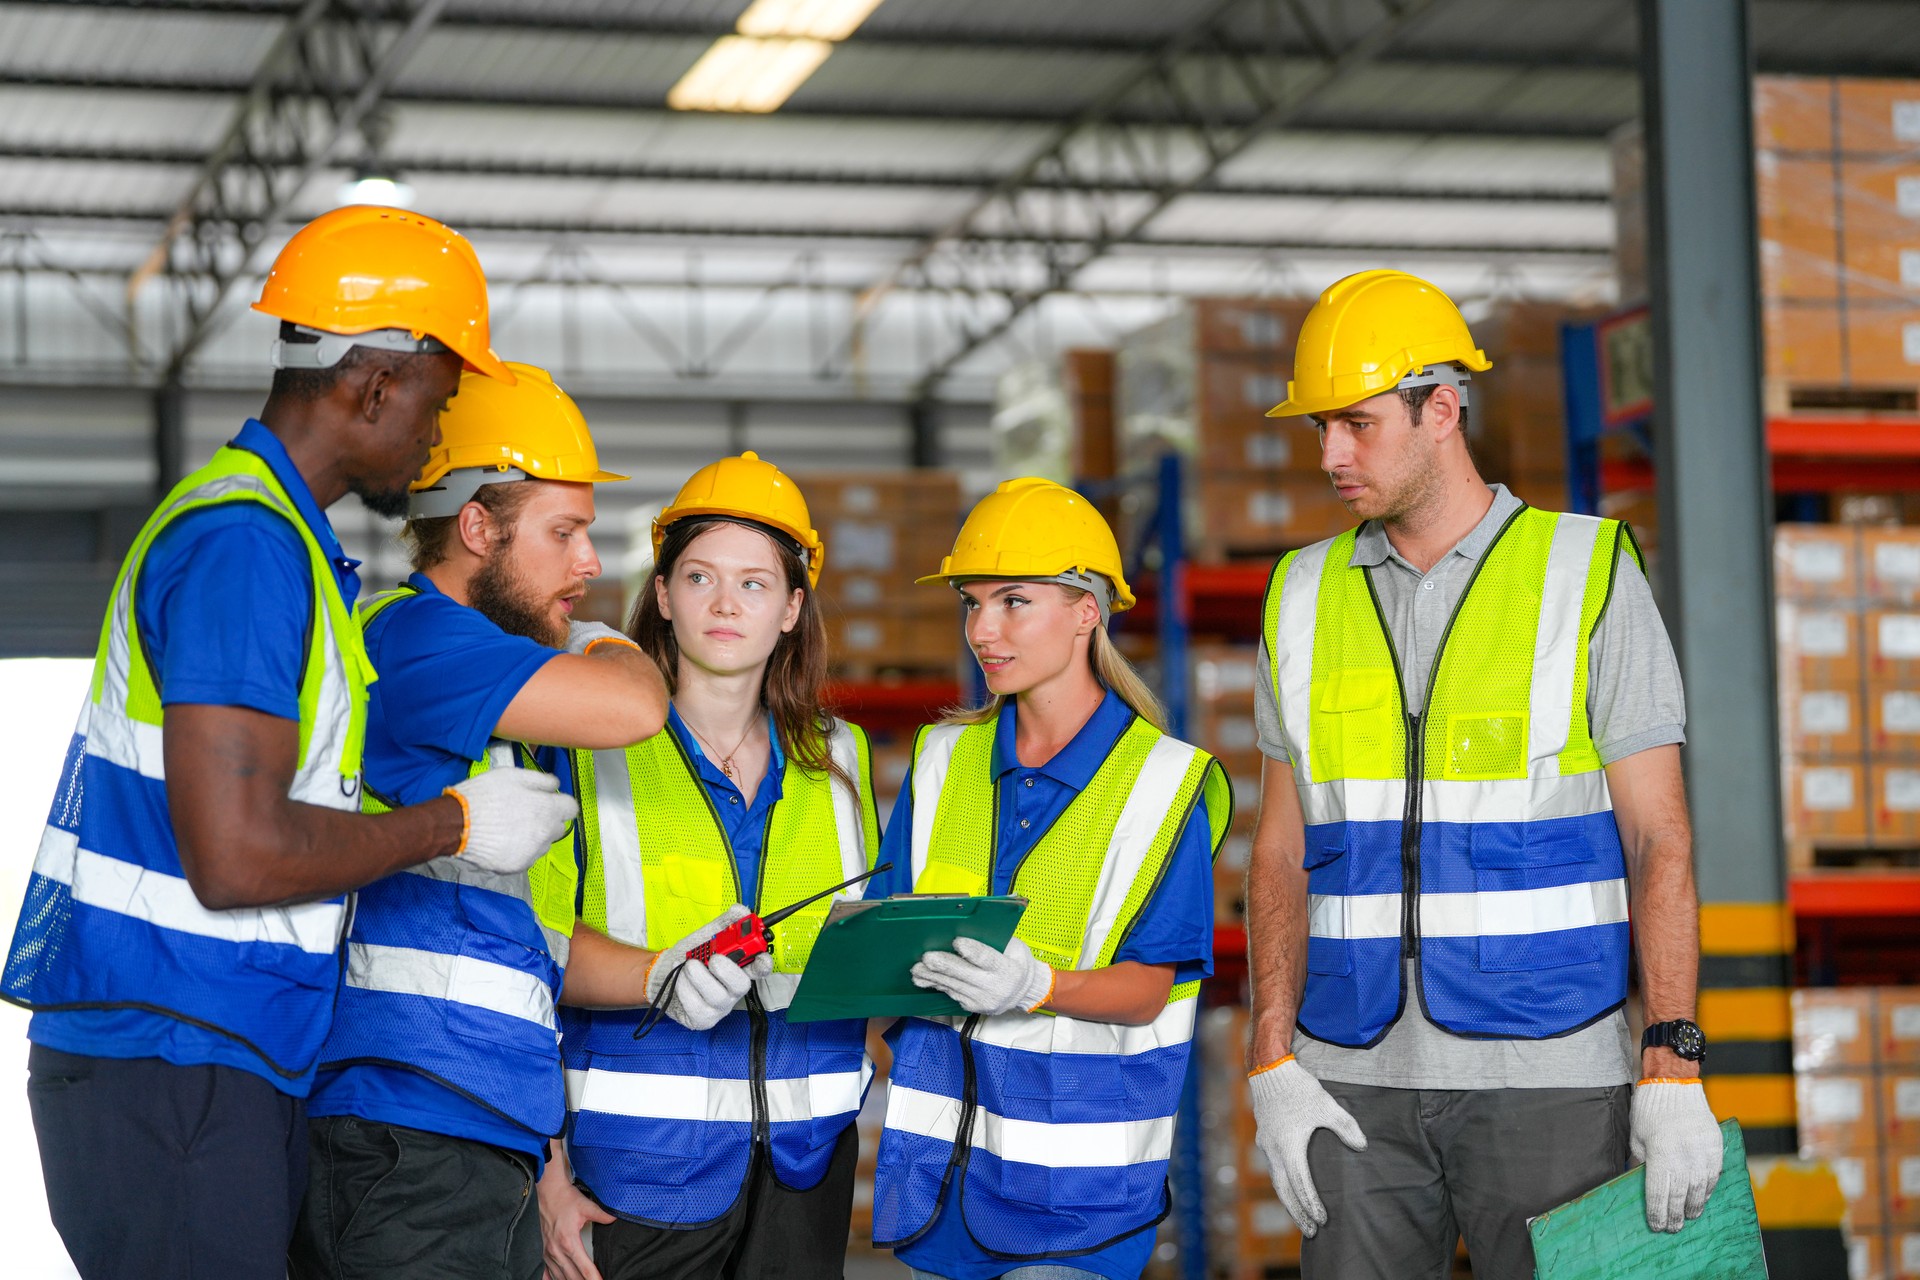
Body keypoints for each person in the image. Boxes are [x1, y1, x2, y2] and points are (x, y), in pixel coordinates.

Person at [1, 206, 578, 1280]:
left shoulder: (282, 543)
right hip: (172, 1052)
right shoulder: (245, 548)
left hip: (209, 1048)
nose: (434, 437)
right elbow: (238, 855)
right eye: (437, 403)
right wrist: (454, 821)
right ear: (372, 385)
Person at [1243, 269, 1724, 1278]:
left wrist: (1673, 1060)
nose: (1331, 454)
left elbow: (1660, 836)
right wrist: (1271, 1059)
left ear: (1444, 409)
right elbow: (1282, 850)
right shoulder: (1299, 593)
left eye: (1357, 424)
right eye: (1319, 428)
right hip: (1348, 1080)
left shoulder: (1585, 570)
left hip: (1552, 1071)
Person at [287, 362, 676, 1280]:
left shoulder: (489, 686)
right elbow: (637, 706)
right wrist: (594, 635)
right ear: (475, 528)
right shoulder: (422, 641)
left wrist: (663, 971)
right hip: (404, 1130)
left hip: (467, 1122)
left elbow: (507, 935)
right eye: (564, 533)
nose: (589, 562)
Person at [867, 478, 1231, 1280]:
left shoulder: (1162, 783)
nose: (983, 630)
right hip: (942, 1188)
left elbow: (1146, 991)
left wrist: (1034, 984)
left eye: (1014, 602)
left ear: (1086, 611)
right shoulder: (942, 761)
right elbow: (883, 940)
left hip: (1078, 1205)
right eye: (972, 602)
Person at [537, 452, 883, 1280]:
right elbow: (528, 951)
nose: (726, 604)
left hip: (804, 1174)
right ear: (661, 594)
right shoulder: (589, 743)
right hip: (637, 1177)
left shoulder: (839, 756)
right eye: (699, 577)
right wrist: (544, 1174)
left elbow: (854, 947)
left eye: (756, 584)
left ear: (794, 608)